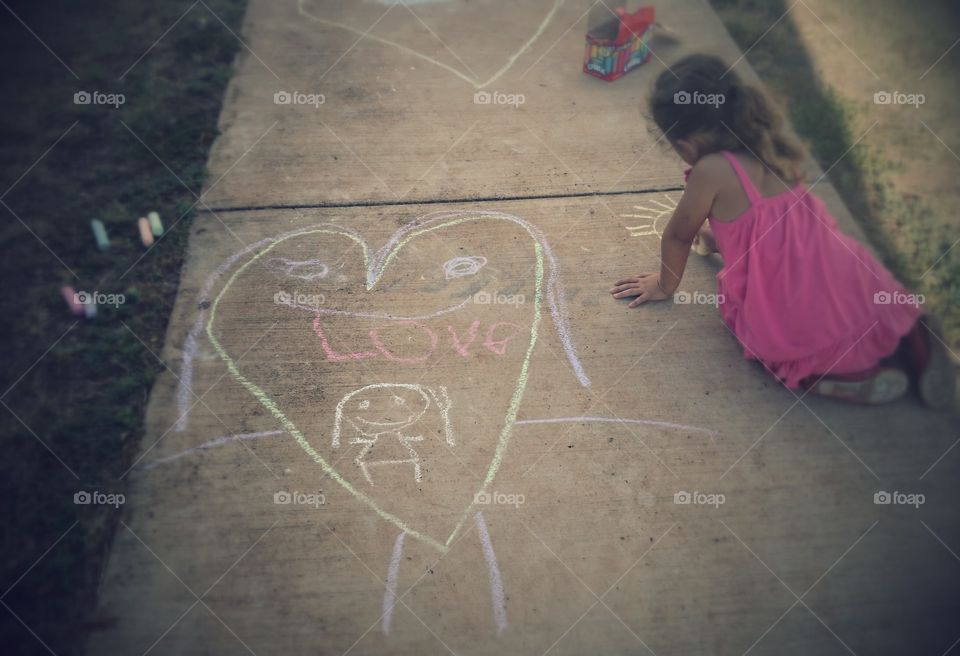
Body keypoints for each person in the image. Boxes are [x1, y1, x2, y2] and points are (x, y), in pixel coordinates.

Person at [610, 54, 954, 407]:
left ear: (685, 144)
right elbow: (769, 229)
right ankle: (916, 338)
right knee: (870, 298)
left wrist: (665, 285)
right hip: (837, 266)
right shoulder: (766, 142)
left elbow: (679, 236)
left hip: (790, 300)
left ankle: (847, 380)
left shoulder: (710, 171)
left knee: (775, 345)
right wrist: (720, 240)